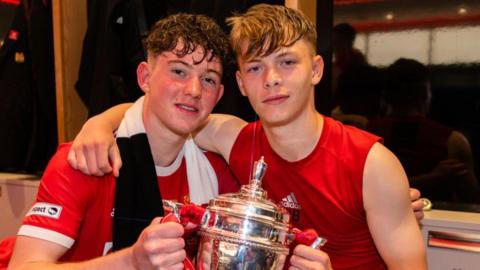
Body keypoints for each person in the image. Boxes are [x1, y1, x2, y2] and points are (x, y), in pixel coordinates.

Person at [68, 4, 427, 270]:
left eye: (287, 62)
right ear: (240, 83)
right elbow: (159, 110)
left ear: (316, 69)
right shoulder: (234, 137)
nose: (271, 79)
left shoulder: (370, 164)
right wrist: (100, 123)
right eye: (255, 67)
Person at [0, 13, 239, 270]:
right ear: (145, 78)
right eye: (179, 71)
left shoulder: (218, 173)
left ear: (219, 96)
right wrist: (131, 261)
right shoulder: (87, 160)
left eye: (209, 79)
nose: (194, 90)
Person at [368, 58, 480, 204]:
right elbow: (472, 201)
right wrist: (434, 177)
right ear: (426, 93)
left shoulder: (366, 134)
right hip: (439, 222)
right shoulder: (452, 141)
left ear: (386, 95)